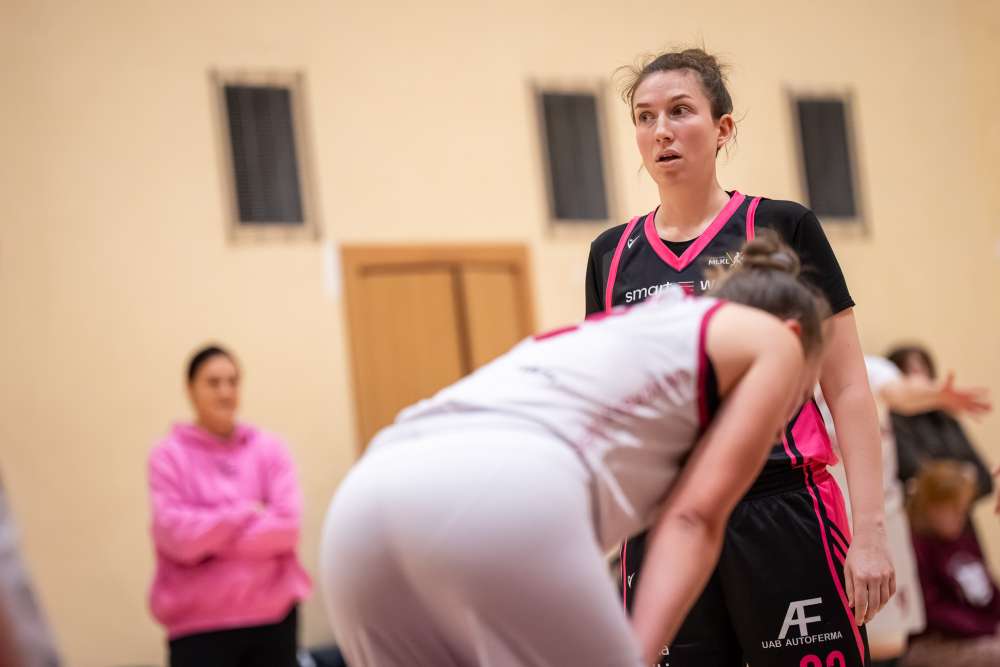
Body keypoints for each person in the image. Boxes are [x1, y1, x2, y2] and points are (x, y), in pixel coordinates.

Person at [321, 240, 828, 667]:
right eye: (801, 395)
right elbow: (693, 519)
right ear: (795, 334)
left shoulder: (642, 329)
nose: (782, 424)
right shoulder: (774, 339)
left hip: (365, 499)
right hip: (507, 481)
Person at [585, 47, 893, 667]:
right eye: (645, 117)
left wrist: (871, 531)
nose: (661, 130)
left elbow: (847, 388)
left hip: (782, 507)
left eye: (680, 110)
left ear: (723, 128)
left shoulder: (783, 227)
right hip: (663, 519)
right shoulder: (610, 255)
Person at [820, 356, 990, 666]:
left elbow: (900, 392)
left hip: (880, 528)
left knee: (886, 643)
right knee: (830, 640)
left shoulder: (866, 368)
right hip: (822, 527)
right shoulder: (791, 373)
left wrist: (935, 394)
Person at [148, 346, 312, 667]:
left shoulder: (269, 449)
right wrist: (245, 513)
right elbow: (179, 540)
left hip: (273, 619)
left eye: (233, 381)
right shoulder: (168, 456)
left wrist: (208, 537)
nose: (225, 392)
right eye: (213, 382)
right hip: (197, 628)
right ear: (190, 389)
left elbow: (287, 527)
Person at [900, 460, 1000, 667]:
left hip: (980, 634)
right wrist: (984, 628)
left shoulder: (965, 542)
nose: (960, 516)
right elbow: (932, 610)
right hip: (935, 642)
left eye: (963, 509)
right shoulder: (916, 548)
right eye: (952, 508)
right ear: (930, 506)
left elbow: (990, 591)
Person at [886, 345, 993, 499]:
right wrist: (961, 476)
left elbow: (985, 478)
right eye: (912, 372)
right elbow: (912, 472)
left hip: (958, 510)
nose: (919, 380)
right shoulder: (891, 422)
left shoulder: (945, 419)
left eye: (923, 371)